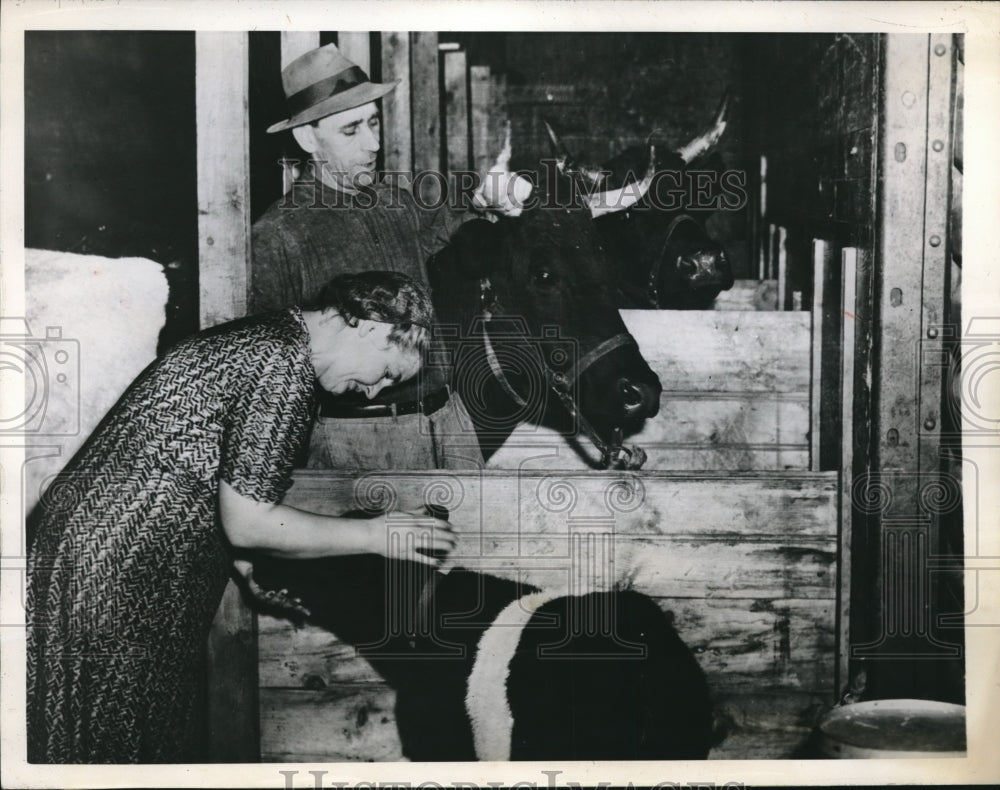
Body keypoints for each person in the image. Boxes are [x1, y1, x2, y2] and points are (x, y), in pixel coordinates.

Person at [26, 271, 455, 764]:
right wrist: (377, 535)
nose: (375, 393)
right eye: (388, 374)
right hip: (117, 575)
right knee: (110, 753)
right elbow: (249, 521)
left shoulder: (273, 340)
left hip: (108, 564)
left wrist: (249, 566)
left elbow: (211, 476)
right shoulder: (281, 363)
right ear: (373, 327)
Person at [252, 42, 512, 471]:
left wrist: (497, 205)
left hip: (448, 420)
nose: (373, 143)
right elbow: (269, 371)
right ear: (306, 138)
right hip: (357, 442)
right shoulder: (279, 233)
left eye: (374, 122)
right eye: (351, 130)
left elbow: (460, 229)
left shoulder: (397, 201)